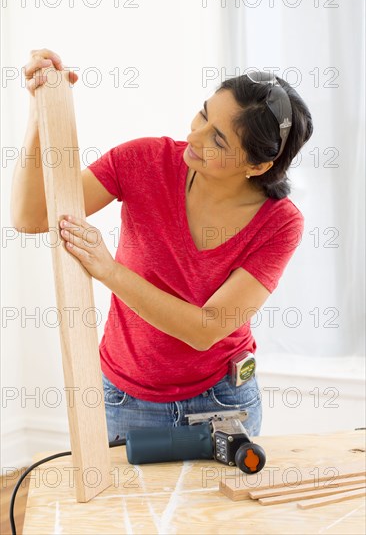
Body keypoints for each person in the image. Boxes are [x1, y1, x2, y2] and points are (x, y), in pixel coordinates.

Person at [13, 49, 313, 443]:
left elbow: (206, 329)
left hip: (222, 402)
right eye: (203, 115)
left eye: (218, 140)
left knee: (218, 507)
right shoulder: (144, 161)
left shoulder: (279, 223)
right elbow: (32, 217)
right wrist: (39, 113)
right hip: (123, 400)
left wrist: (108, 270)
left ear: (257, 166)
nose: (194, 136)